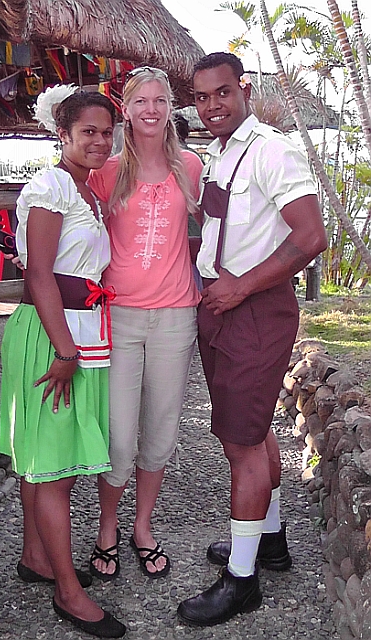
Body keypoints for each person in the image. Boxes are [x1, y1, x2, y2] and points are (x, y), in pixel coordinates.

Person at [177, 52, 327, 626]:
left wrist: (240, 288)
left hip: (254, 309)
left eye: (221, 92)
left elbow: (311, 234)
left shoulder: (271, 150)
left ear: (243, 89)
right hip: (222, 305)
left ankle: (242, 581)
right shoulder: (223, 153)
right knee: (253, 428)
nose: (211, 104)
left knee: (240, 445)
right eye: (201, 96)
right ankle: (271, 540)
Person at [0, 86, 126, 639]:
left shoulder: (86, 190)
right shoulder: (50, 186)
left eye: (105, 132)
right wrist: (66, 351)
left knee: (52, 458)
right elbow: (40, 275)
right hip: (55, 336)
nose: (99, 141)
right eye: (88, 132)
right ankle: (68, 594)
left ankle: (37, 556)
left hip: (80, 331)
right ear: (64, 134)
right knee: (57, 466)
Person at [87, 67, 203, 581]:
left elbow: (222, 228)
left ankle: (143, 525)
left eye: (160, 100)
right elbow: (78, 232)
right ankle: (107, 525)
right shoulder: (105, 173)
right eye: (141, 101)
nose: (151, 110)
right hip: (119, 315)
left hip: (177, 316)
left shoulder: (192, 168)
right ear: (126, 109)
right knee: (117, 437)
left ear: (170, 107)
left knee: (160, 432)